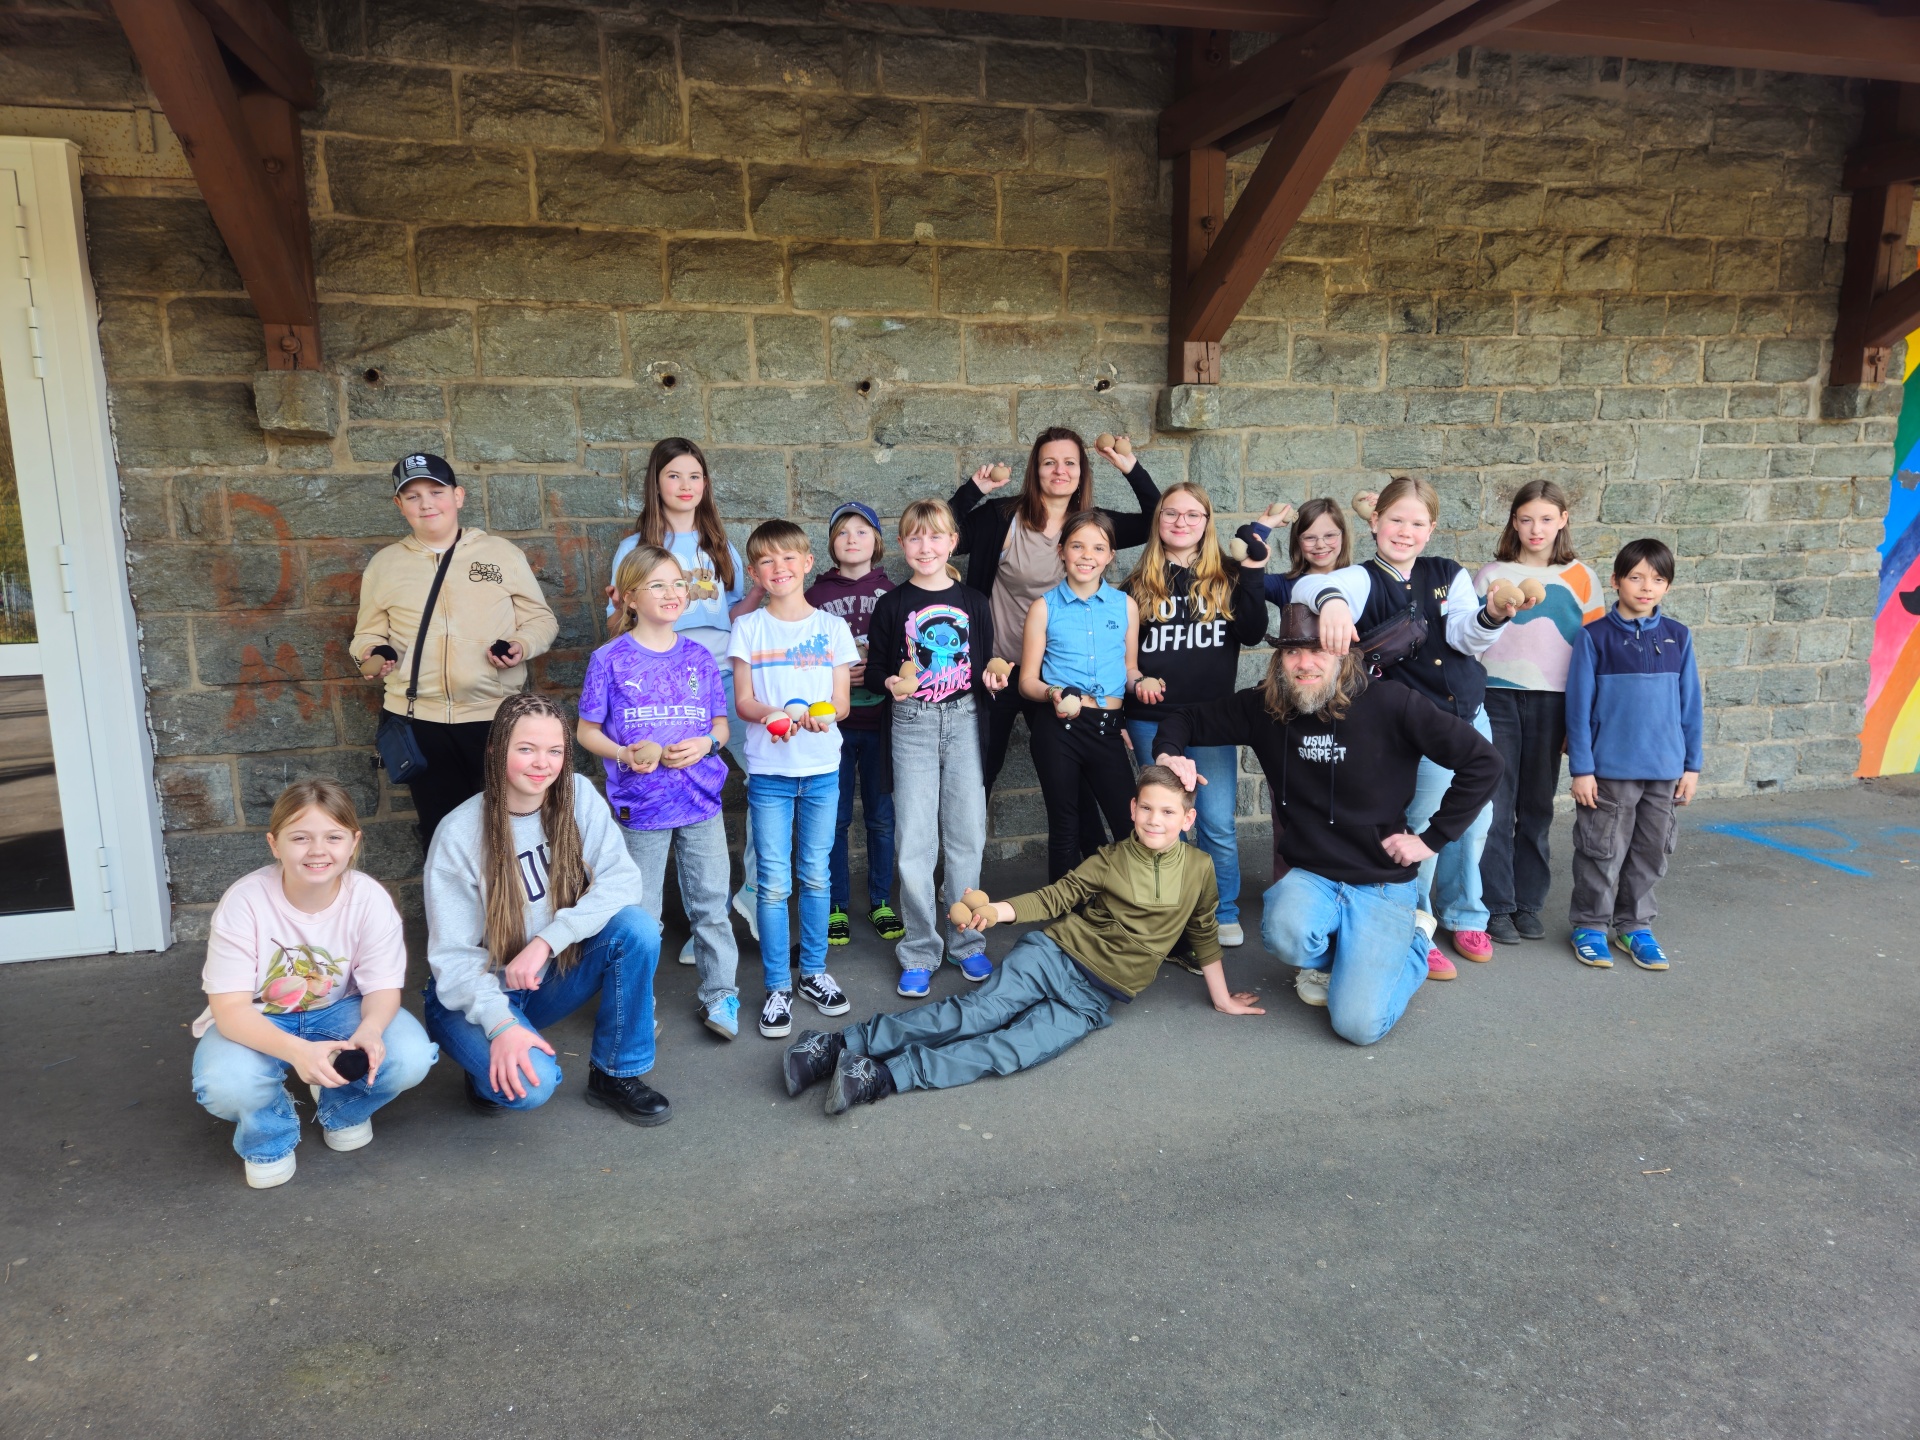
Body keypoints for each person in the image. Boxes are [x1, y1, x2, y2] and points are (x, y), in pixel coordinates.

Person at [779, 765, 1263, 1114]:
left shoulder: (1200, 870)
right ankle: (834, 1044)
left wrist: (1221, 999)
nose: (1156, 820)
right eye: (1148, 809)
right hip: (1055, 956)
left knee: (1011, 1050)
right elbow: (1056, 897)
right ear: (1133, 810)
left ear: (1187, 819)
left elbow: (1203, 932)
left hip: (1094, 998)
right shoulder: (1110, 859)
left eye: (1169, 811)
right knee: (978, 1013)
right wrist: (995, 912)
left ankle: (879, 1077)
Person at [1154, 604, 1501, 1046]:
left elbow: (1484, 762)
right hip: (1314, 877)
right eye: (1293, 652)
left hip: (1380, 883)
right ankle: (1349, 957)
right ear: (1279, 661)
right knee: (1284, 934)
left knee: (1357, 1027)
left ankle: (1412, 943)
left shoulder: (1393, 703)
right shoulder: (1266, 708)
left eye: (1319, 650)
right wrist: (1169, 754)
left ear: (1343, 653)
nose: (1305, 663)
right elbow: (1184, 718)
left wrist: (1431, 840)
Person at [1297, 475, 1534, 979]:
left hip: (1468, 714)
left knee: (1475, 823)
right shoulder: (1361, 578)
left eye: (1417, 523)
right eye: (1396, 520)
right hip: (1414, 728)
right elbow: (1312, 585)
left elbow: (1466, 638)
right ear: (1376, 522)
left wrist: (1492, 613)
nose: (1405, 531)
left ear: (1431, 530)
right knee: (1424, 825)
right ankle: (1417, 924)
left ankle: (1465, 913)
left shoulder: (1448, 572)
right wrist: (1334, 602)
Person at [422, 692, 670, 1125]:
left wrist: (546, 941)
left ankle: (616, 1075)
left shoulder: (576, 795)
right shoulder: (458, 834)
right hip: (475, 991)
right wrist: (499, 1024)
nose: (543, 763)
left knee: (637, 929)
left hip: (546, 974)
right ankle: (484, 1064)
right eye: (526, 749)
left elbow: (622, 879)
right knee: (530, 1087)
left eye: (554, 751)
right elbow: (454, 960)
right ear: (496, 749)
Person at [190, 780, 438, 1189]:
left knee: (409, 1054)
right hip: (258, 1016)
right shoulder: (245, 901)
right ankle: (270, 1131)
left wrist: (371, 1031)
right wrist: (297, 1052)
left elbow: (382, 988)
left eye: (333, 837)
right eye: (300, 838)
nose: (318, 850)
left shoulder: (369, 899)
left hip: (340, 1010)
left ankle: (341, 1106)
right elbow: (230, 1010)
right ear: (275, 845)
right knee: (227, 1084)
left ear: (353, 843)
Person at [952, 428, 1160, 847]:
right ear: (1036, 470)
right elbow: (939, 531)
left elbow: (1160, 519)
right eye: (1049, 462)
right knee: (979, 771)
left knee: (1076, 780)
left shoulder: (1094, 527)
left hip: (1061, 680)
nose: (1059, 470)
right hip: (999, 669)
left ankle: (1088, 871)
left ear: (1082, 472)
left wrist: (1130, 467)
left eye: (1070, 462)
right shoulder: (1002, 518)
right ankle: (960, 874)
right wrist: (975, 487)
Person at [351, 452, 557, 847]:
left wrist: (520, 645)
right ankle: (455, 910)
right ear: (399, 505)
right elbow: (367, 633)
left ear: (458, 496)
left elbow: (542, 621)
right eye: (412, 496)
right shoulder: (385, 564)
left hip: (494, 717)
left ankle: (513, 910)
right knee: (443, 836)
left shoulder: (500, 554)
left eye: (436, 491)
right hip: (417, 720)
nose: (426, 503)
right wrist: (373, 655)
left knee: (512, 834)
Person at [606, 438, 765, 946]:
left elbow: (734, 615)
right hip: (665, 690)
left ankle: (754, 899)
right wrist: (617, 610)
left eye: (695, 476)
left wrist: (763, 587)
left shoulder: (720, 546)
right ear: (657, 482)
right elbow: (619, 625)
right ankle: (700, 932)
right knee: (677, 795)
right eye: (674, 476)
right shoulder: (633, 550)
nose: (686, 486)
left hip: (724, 676)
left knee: (768, 782)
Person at [577, 544, 740, 1039]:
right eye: (657, 585)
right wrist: (626, 754)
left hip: (700, 801)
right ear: (629, 597)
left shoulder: (699, 657)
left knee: (711, 903)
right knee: (642, 915)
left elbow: (720, 725)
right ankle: (635, 1005)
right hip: (641, 806)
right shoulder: (609, 659)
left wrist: (707, 743)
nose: (672, 594)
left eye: (678, 584)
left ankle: (722, 996)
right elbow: (586, 731)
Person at [865, 499, 1007, 997]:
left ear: (952, 543)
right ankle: (921, 949)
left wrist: (992, 676)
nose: (926, 547)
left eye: (935, 537)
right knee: (915, 841)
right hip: (912, 725)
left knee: (967, 834)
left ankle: (967, 941)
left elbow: (986, 661)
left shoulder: (974, 601)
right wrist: (892, 683)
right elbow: (880, 669)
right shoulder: (892, 604)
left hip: (966, 718)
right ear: (903, 545)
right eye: (915, 538)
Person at [727, 520, 859, 1039]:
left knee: (816, 876)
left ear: (807, 563)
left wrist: (822, 717)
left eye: (789, 559)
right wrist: (773, 715)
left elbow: (841, 703)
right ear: (756, 571)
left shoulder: (831, 630)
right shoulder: (749, 628)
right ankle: (778, 985)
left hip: (823, 770)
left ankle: (815, 974)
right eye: (766, 562)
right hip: (770, 774)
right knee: (774, 882)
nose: (779, 569)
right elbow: (743, 701)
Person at [1123, 482, 1268, 946]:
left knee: (1217, 823)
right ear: (1158, 520)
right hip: (1152, 719)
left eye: (1192, 514)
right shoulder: (1137, 583)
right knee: (1166, 825)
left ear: (1207, 522)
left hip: (1211, 722)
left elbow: (1253, 631)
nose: (1181, 522)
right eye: (1171, 514)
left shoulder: (1228, 574)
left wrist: (1254, 572)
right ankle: (1175, 911)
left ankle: (1222, 909)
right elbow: (1120, 658)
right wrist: (1125, 718)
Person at [1472, 481, 1605, 946]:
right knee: (1495, 804)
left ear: (1563, 520)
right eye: (1526, 518)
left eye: (1547, 519)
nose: (1536, 528)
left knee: (1536, 806)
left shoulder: (1581, 576)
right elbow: (1470, 640)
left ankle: (1528, 903)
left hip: (1554, 702)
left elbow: (1593, 654)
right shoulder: (1491, 574)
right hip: (1496, 697)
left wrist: (1582, 720)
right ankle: (1496, 906)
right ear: (1513, 520)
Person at [1565, 539, 1703, 972]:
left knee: (1650, 851)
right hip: (1610, 772)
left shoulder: (1679, 637)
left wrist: (1691, 765)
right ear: (1616, 581)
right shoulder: (1594, 638)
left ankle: (1634, 926)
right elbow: (1578, 708)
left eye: (1658, 579)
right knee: (1602, 850)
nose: (1647, 587)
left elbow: (1691, 706)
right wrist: (1582, 770)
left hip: (1664, 771)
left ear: (1667, 586)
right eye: (1636, 577)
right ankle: (1589, 925)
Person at [1018, 510, 1143, 881]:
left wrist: (1143, 683)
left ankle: (1136, 908)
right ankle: (1064, 916)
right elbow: (1026, 681)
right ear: (1061, 551)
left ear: (1110, 556)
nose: (1087, 555)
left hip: (1107, 727)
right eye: (1077, 546)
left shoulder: (1125, 606)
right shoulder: (1043, 608)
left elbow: (1130, 669)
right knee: (1065, 825)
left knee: (1128, 822)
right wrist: (1053, 691)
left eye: (1098, 548)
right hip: (1060, 729)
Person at [804, 500, 902, 947]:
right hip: (833, 727)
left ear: (877, 542)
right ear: (830, 544)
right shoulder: (814, 597)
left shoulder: (894, 593)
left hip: (883, 721)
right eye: (842, 532)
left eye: (862, 531)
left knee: (882, 819)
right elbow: (798, 658)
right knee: (836, 819)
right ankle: (836, 904)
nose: (852, 539)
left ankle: (881, 900)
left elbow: (912, 653)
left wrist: (878, 669)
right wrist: (838, 673)